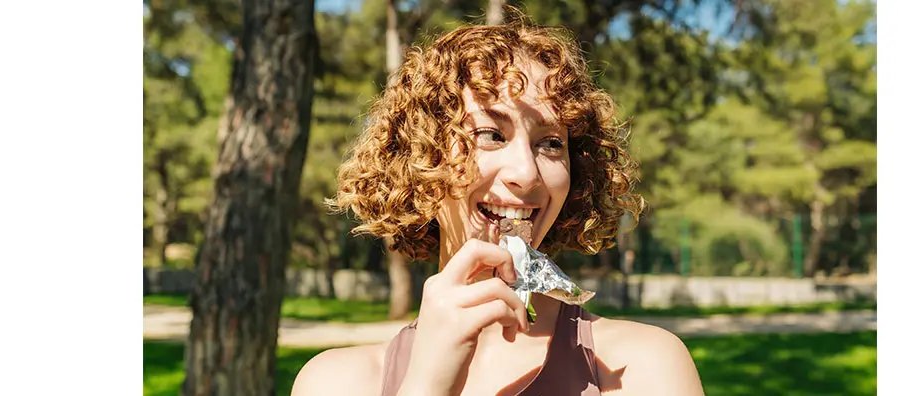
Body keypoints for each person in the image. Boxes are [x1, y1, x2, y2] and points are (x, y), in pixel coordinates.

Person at [292, 18, 704, 396]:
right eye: (490, 134)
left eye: (551, 143)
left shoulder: (642, 369)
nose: (527, 173)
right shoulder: (335, 382)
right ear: (422, 157)